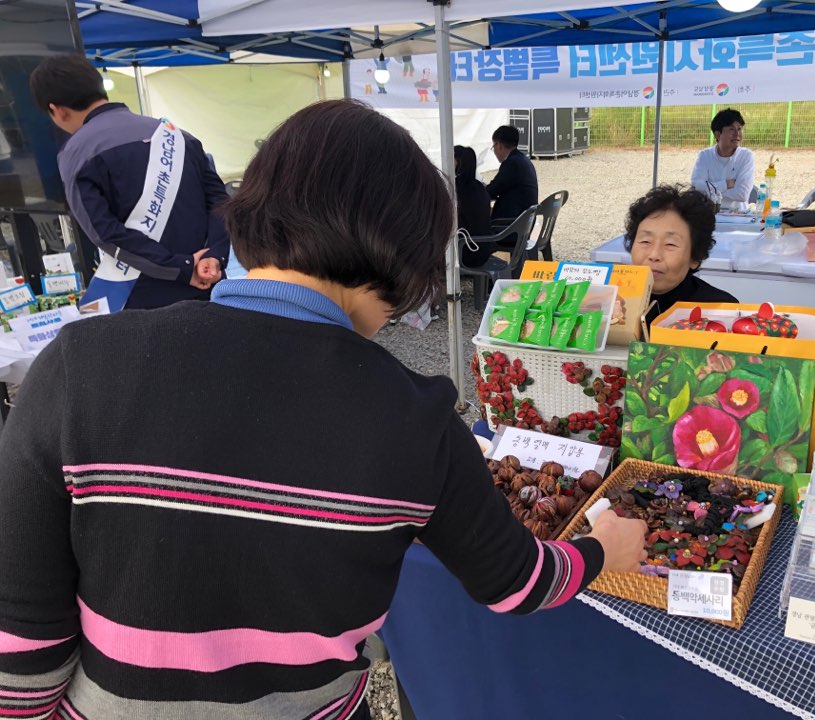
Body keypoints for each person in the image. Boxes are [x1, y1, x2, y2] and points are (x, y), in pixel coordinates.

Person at [0, 99, 648, 719]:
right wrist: (602, 550)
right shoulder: (415, 418)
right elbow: (515, 583)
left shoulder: (81, 363)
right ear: (401, 255)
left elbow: (22, 644)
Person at [29, 54, 229, 310]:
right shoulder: (177, 136)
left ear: (56, 110)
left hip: (144, 297)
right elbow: (222, 202)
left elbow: (104, 232)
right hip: (210, 284)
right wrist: (214, 256)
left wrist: (181, 267)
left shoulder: (76, 153)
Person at [625, 184, 738, 328]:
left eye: (670, 244)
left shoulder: (721, 311)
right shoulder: (612, 301)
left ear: (695, 257)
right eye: (645, 241)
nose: (654, 255)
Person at [690, 107, 755, 211]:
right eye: (731, 129)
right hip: (709, 214)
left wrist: (709, 191)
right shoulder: (705, 156)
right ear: (718, 134)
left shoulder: (746, 156)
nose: (737, 134)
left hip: (738, 217)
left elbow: (742, 194)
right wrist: (726, 184)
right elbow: (697, 188)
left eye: (739, 129)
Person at [486, 124, 538, 225]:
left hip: (511, 227)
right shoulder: (523, 160)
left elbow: (491, 191)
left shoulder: (511, 164)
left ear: (499, 145)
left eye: (494, 147)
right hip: (523, 223)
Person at [454, 144, 494, 268]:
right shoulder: (480, 186)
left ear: (458, 162)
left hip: (466, 252)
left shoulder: (455, 188)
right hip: (484, 250)